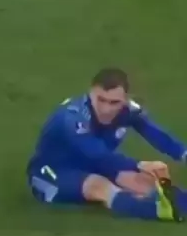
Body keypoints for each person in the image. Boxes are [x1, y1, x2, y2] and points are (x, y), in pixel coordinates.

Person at [27, 67, 187, 222]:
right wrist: (139, 164)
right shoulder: (72, 117)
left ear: (125, 99)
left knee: (144, 181)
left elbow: (155, 133)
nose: (106, 109)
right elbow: (96, 153)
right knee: (99, 185)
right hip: (52, 173)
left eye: (114, 102)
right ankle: (160, 212)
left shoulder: (128, 110)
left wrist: (183, 153)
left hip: (93, 165)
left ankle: (181, 204)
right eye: (101, 100)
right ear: (91, 93)